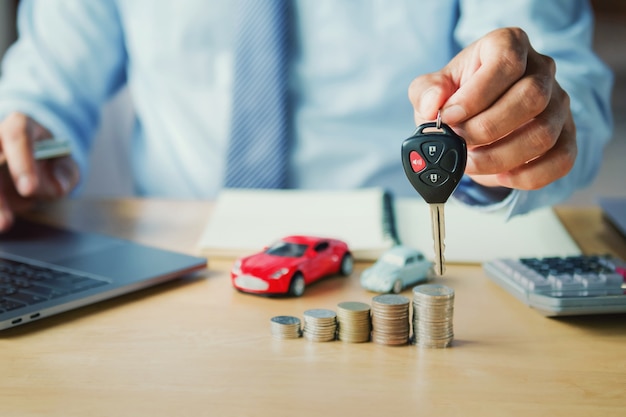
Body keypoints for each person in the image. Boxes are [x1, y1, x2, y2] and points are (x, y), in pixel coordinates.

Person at [0, 0, 614, 232]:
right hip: (178, 249)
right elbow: (48, 77)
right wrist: (24, 131)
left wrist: (523, 124)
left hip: (409, 250)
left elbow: (566, 84)